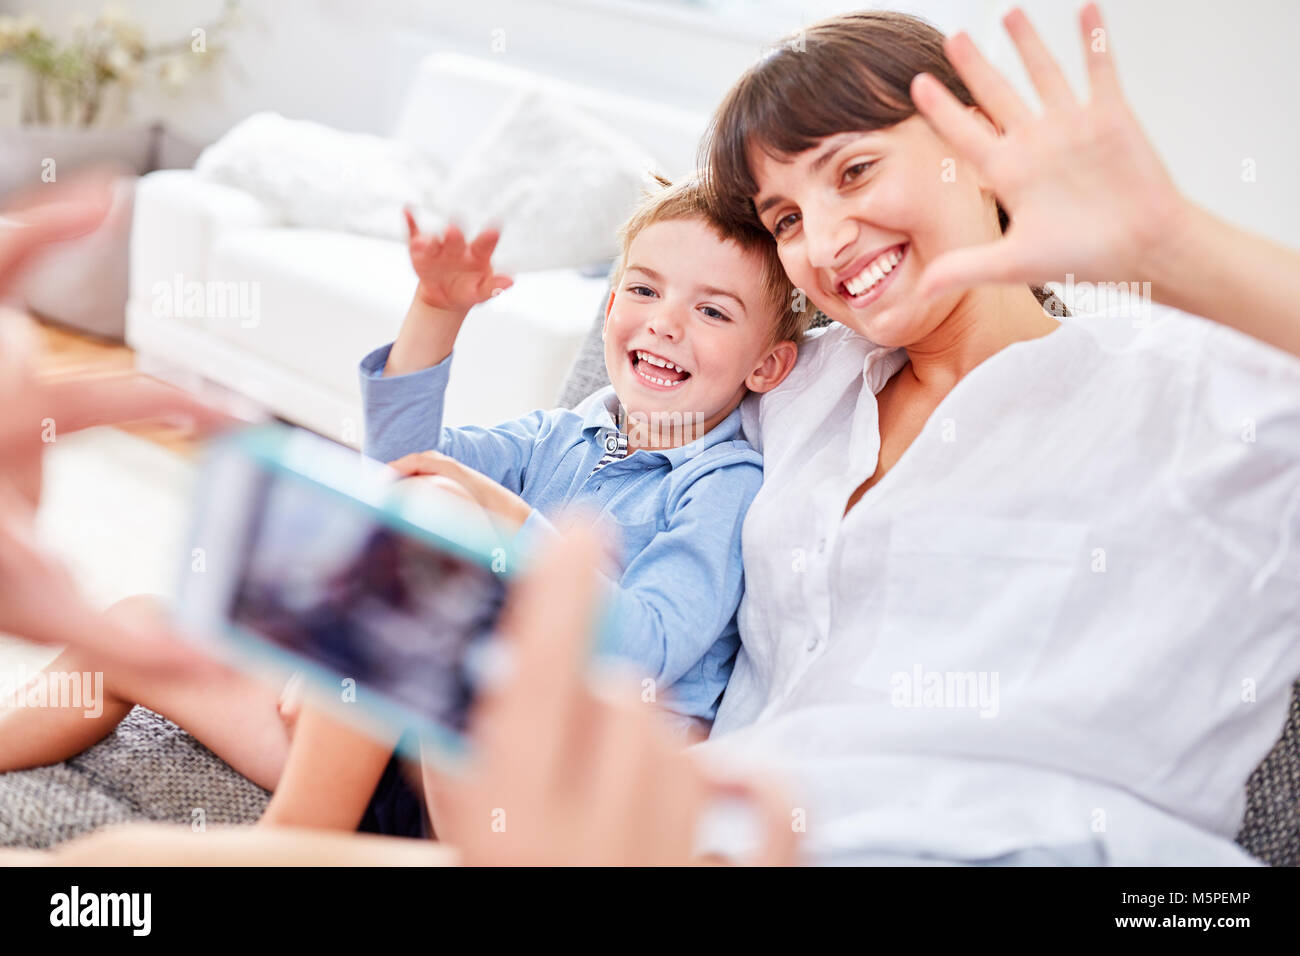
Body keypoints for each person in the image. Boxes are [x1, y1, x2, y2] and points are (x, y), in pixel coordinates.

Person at [7, 2, 1300, 866]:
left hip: (1013, 849)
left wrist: (1173, 249)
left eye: (855, 173)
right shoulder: (801, 391)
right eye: (790, 219)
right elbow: (425, 451)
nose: (829, 240)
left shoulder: (1189, 378)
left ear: (980, 146)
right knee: (121, 864)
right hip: (672, 832)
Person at [0, 175, 809, 837]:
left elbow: (648, 648)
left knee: (445, 514)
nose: (665, 321)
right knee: (137, 628)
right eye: (644, 288)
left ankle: (296, 837)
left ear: (768, 366)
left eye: (710, 310)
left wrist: (499, 520)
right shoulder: (565, 434)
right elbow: (399, 465)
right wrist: (437, 313)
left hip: (514, 801)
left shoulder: (720, 485)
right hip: (388, 750)